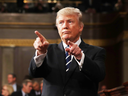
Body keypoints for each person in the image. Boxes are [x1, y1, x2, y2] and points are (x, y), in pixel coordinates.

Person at [29, 7, 106, 96]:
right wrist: (41, 53)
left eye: (70, 21)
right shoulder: (48, 50)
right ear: (57, 27)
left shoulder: (96, 51)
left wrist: (80, 56)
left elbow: (99, 75)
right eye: (61, 22)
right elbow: (34, 73)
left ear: (80, 27)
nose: (65, 26)